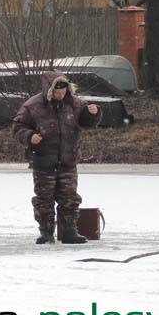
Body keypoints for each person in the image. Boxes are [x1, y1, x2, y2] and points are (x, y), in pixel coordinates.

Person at [12, 70, 102, 245]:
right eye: (57, 92)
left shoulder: (76, 104)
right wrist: (30, 136)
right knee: (44, 200)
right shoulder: (33, 105)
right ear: (49, 90)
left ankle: (70, 232)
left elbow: (87, 122)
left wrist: (94, 113)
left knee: (69, 198)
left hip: (68, 161)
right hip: (43, 162)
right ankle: (46, 233)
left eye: (63, 91)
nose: (61, 95)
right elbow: (17, 127)